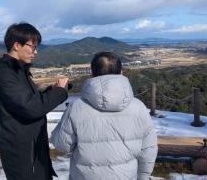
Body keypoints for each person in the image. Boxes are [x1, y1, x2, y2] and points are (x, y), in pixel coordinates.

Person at [51, 52, 157, 180]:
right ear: (121, 72)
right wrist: (143, 177)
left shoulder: (76, 107)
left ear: (92, 73)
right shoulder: (139, 107)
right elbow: (148, 150)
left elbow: (61, 145)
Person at [0, 22, 69, 180]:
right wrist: (60, 93)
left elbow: (29, 100)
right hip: (21, 150)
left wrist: (53, 90)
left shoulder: (17, 70)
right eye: (33, 47)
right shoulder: (5, 74)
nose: (36, 52)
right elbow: (32, 107)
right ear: (17, 45)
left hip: (30, 146)